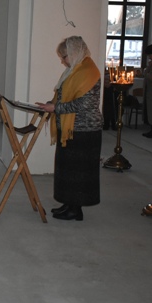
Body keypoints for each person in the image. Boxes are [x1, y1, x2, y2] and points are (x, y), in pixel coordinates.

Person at [35, 36, 102, 221]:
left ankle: (76, 210)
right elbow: (64, 96)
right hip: (71, 129)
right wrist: (51, 104)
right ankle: (69, 203)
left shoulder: (89, 72)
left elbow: (84, 105)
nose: (62, 61)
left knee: (79, 172)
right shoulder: (74, 70)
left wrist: (55, 108)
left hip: (84, 131)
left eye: (64, 57)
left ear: (74, 53)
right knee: (67, 170)